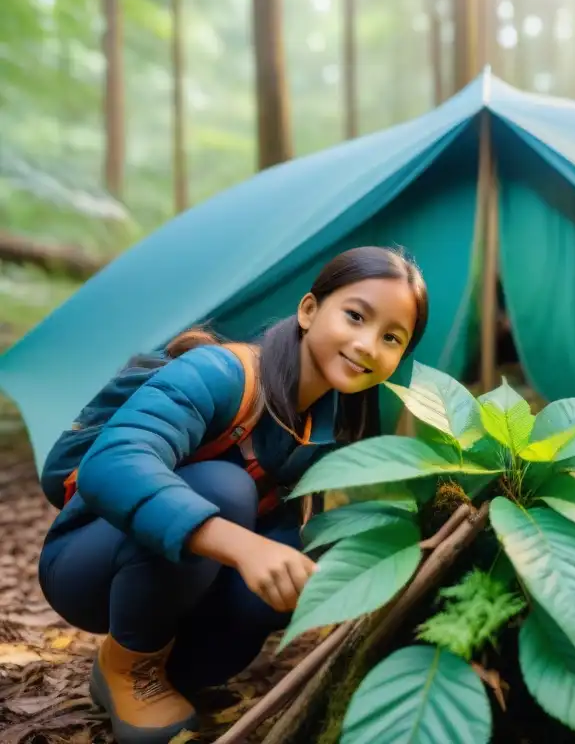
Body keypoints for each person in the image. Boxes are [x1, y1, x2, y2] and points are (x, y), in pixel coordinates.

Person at [36, 246, 429, 744]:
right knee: (225, 488)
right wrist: (241, 545)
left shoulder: (328, 427)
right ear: (309, 310)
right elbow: (112, 464)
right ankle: (129, 665)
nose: (368, 344)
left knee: (292, 553)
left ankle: (172, 668)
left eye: (391, 338)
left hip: (180, 577)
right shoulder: (223, 374)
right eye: (355, 316)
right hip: (87, 562)